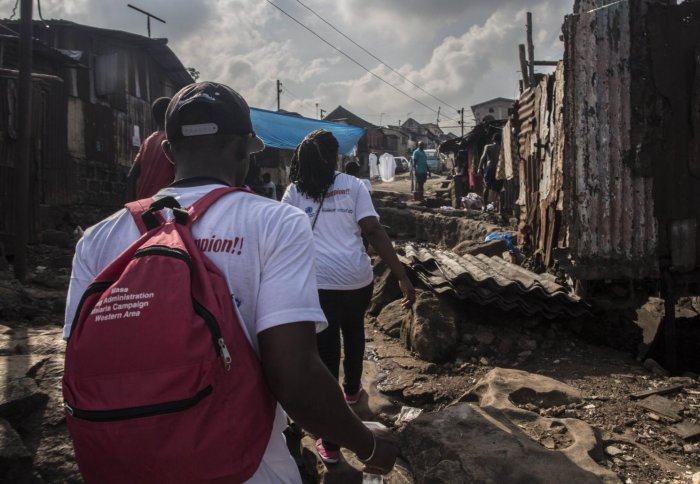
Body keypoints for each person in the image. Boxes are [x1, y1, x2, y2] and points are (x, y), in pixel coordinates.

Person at [64, 82, 399, 482]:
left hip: (122, 463)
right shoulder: (274, 222)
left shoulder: (97, 239)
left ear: (169, 153)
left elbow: (83, 363)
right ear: (244, 149)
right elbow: (294, 376)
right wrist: (368, 443)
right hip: (245, 466)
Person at [282, 129, 415, 464]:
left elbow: (281, 235)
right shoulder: (354, 186)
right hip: (356, 279)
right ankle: (353, 389)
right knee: (355, 331)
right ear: (334, 157)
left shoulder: (295, 190)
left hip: (317, 283)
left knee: (325, 354)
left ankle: (330, 441)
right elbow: (372, 230)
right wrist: (401, 277)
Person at [126, 97, 174, 200]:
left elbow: (131, 177)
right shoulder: (173, 141)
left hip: (143, 208)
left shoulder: (147, 142)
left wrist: (132, 207)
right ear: (171, 114)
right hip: (163, 207)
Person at [478, 132, 504, 211]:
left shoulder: (488, 147)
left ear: (493, 140)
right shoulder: (502, 148)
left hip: (490, 168)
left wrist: (479, 168)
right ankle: (499, 209)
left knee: (486, 187)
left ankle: (485, 207)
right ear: (500, 140)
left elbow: (483, 157)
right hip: (499, 169)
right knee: (499, 189)